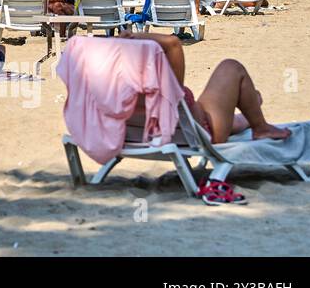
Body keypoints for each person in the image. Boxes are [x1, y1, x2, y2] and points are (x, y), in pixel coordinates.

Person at [118, 30, 288, 203]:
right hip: (197, 131)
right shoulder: (166, 89)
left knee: (218, 110)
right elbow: (173, 43)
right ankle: (260, 127)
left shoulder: (110, 91)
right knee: (231, 67)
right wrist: (135, 36)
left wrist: (113, 42)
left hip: (139, 134)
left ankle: (248, 111)